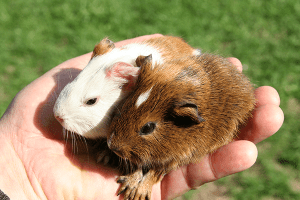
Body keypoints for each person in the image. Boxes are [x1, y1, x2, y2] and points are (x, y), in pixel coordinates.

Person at [0, 34, 284, 200]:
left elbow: (172, 154)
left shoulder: (188, 130)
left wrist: (146, 175)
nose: (114, 139)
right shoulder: (143, 79)